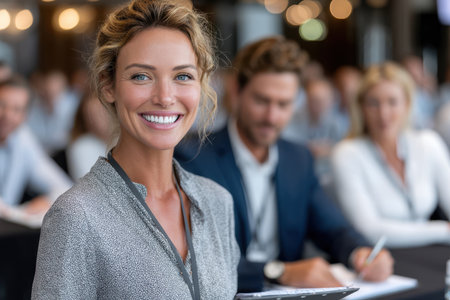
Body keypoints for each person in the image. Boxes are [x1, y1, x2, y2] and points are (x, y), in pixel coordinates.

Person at [32, 1, 239, 299]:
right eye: (142, 76)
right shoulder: (76, 216)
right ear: (108, 85)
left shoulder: (217, 203)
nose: (165, 97)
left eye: (183, 76)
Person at [176, 36, 393, 292]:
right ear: (237, 92)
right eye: (261, 101)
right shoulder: (193, 159)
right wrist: (279, 272)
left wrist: (360, 252)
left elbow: (333, 228)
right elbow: (196, 262)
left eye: (283, 104)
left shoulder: (298, 158)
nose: (272, 117)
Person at [331, 61, 450, 248]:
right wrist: (444, 230)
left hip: (431, 254)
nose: (383, 113)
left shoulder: (428, 143)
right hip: (379, 259)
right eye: (373, 103)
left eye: (392, 102)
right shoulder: (347, 154)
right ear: (361, 107)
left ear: (407, 104)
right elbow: (370, 231)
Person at [0, 75, 72, 216]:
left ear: (25, 116)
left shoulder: (22, 138)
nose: (8, 115)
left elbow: (64, 187)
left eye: (17, 109)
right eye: (2, 105)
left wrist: (48, 200)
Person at [66, 90, 111, 180]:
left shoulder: (123, 140)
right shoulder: (81, 146)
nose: (97, 121)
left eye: (101, 112)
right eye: (91, 116)